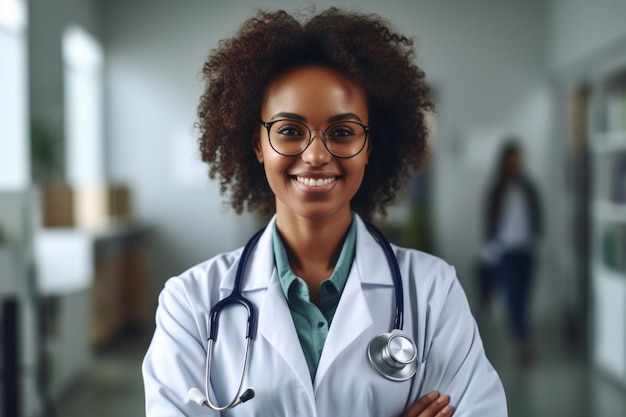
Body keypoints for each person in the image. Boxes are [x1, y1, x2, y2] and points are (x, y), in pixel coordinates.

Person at [143, 7, 507, 416]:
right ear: (258, 145)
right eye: (289, 131)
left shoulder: (432, 293)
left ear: (369, 146)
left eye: (342, 132)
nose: (316, 155)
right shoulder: (191, 304)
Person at [484, 141, 542, 364]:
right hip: (505, 251)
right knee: (512, 297)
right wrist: (490, 246)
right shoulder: (497, 190)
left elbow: (536, 216)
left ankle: (523, 339)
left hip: (526, 249)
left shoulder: (528, 188)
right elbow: (489, 219)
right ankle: (522, 342)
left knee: (524, 298)